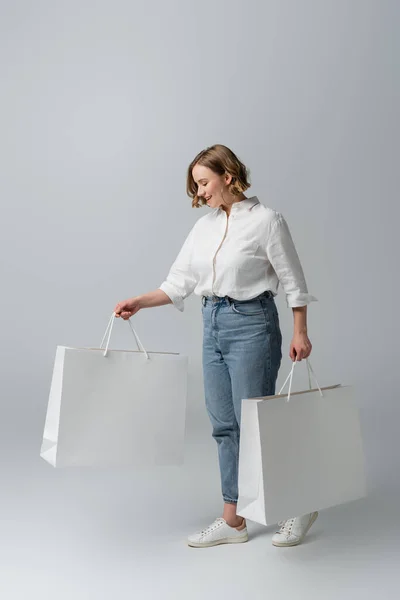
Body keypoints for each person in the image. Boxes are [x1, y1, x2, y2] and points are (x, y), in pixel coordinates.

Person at [114, 144, 318, 549]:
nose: (200, 192)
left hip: (252, 324)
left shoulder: (266, 221)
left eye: (204, 182)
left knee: (257, 426)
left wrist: (300, 332)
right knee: (225, 426)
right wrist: (139, 301)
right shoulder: (203, 228)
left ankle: (300, 504)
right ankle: (234, 519)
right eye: (196, 185)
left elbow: (293, 282)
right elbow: (178, 284)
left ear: (228, 175)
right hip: (212, 325)